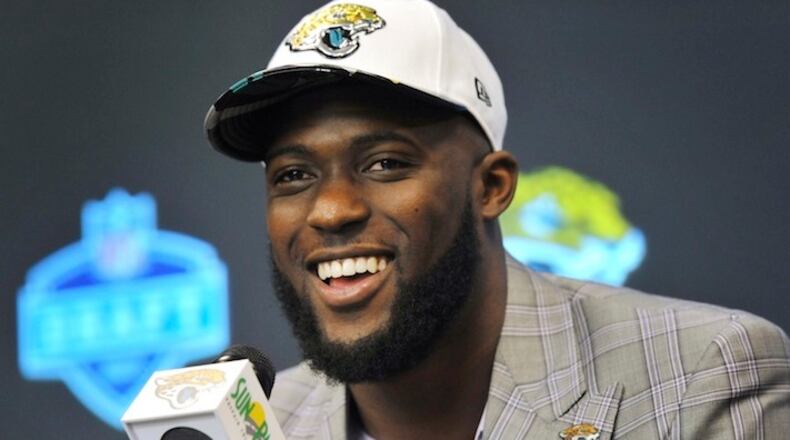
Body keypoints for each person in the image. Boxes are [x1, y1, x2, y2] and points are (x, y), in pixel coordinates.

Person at [203, 0, 790, 438]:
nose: (331, 210)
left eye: (385, 163)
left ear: (491, 187)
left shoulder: (703, 373)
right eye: (293, 175)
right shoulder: (261, 423)